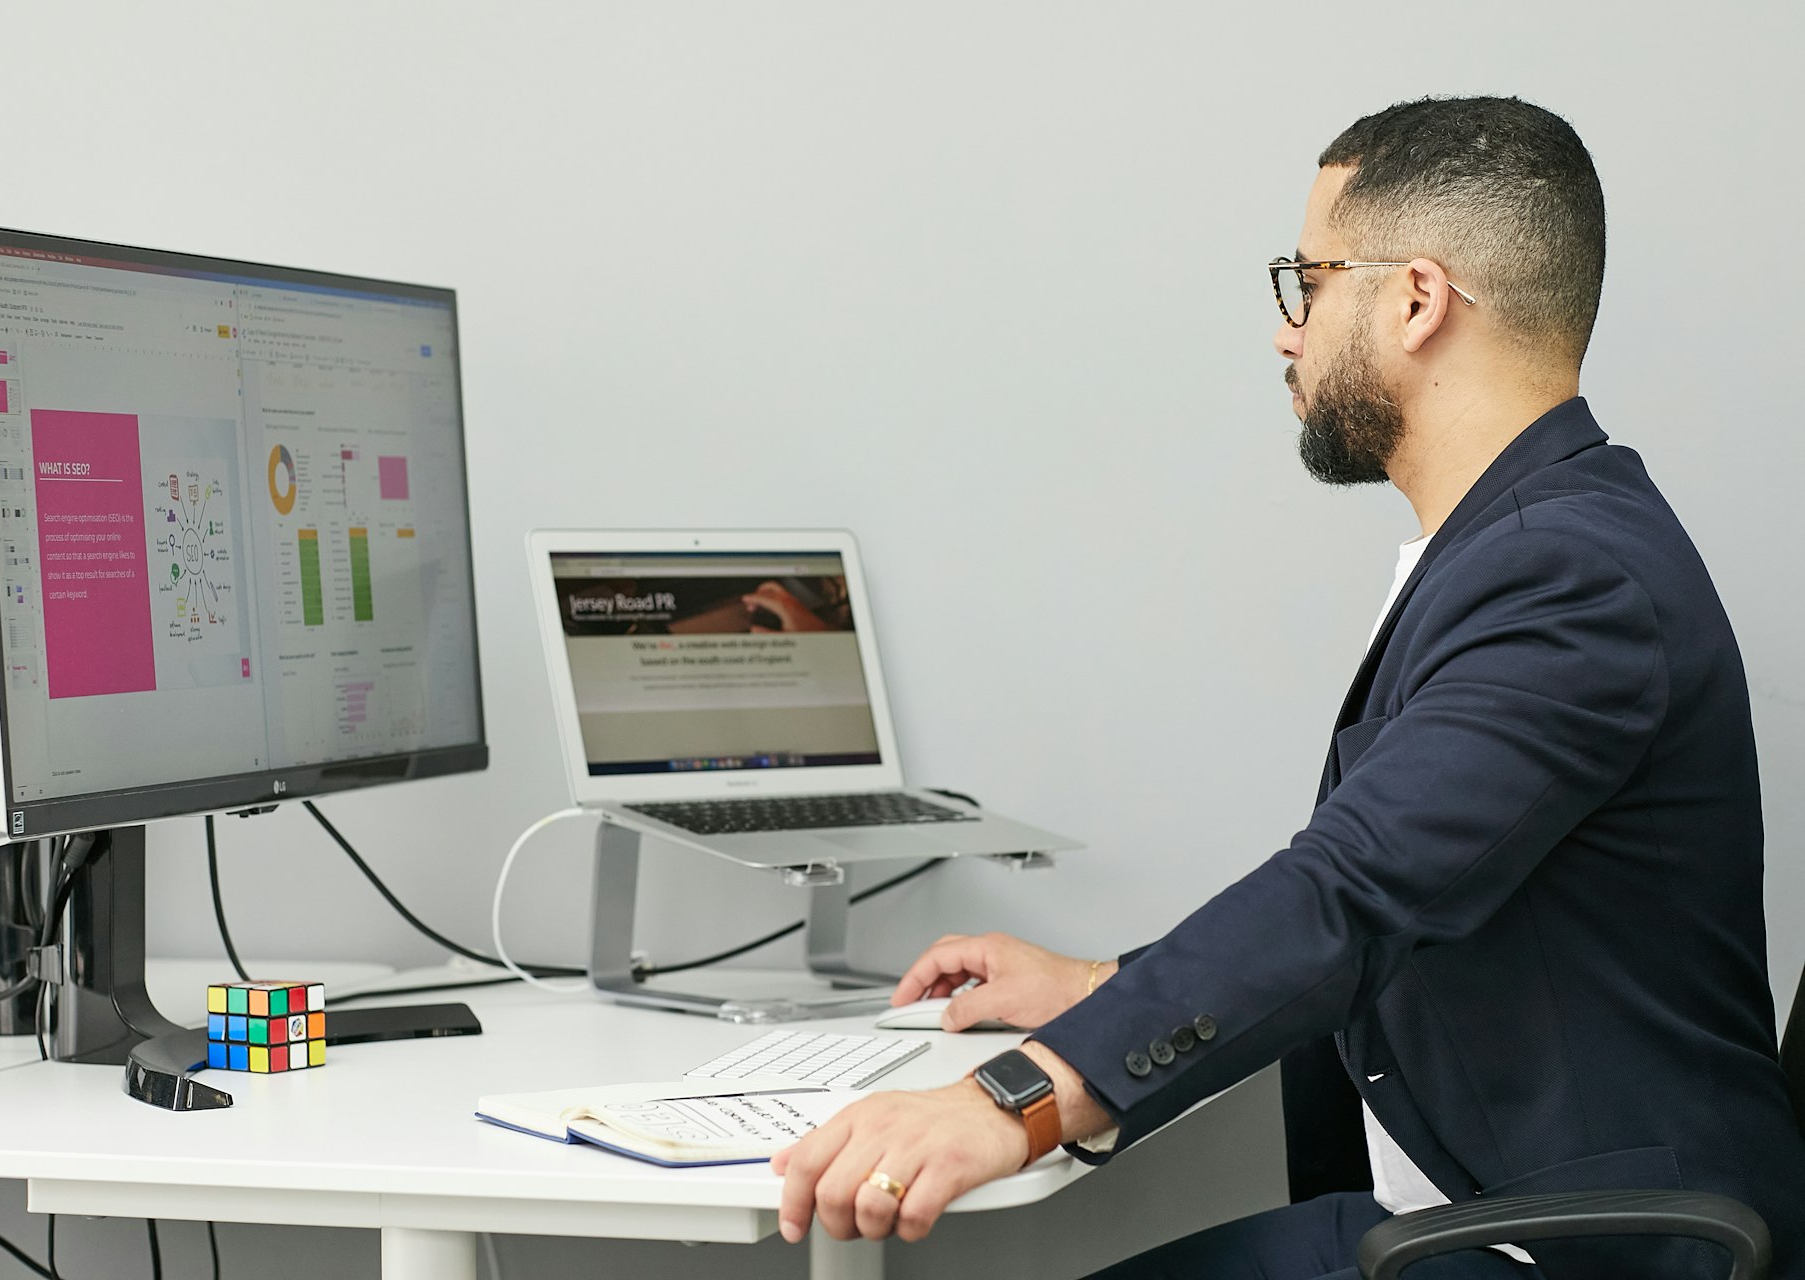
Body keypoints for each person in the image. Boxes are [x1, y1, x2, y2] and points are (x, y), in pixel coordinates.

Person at [772, 95, 1805, 1279]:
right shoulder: (1521, 547)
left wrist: (1014, 1096)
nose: (1286, 332)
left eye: (1305, 282)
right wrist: (1104, 985)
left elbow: (1354, 889)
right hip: (1483, 1212)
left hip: (1576, 1248)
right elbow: (1418, 878)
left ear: (1417, 300)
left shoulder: (1567, 576)